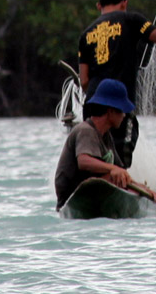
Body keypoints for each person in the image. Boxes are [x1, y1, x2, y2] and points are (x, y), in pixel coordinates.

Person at [75, 0, 156, 163]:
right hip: (118, 107)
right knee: (119, 163)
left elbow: (84, 81)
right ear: (124, 3)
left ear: (99, 6)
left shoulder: (86, 35)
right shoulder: (131, 20)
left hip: (92, 105)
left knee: (96, 158)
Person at [52, 77, 148, 210]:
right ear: (110, 111)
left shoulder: (106, 135)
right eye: (121, 111)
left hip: (95, 193)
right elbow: (83, 161)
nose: (124, 116)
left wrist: (142, 189)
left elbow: (119, 171)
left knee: (117, 177)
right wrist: (112, 169)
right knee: (112, 175)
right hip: (72, 197)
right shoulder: (85, 130)